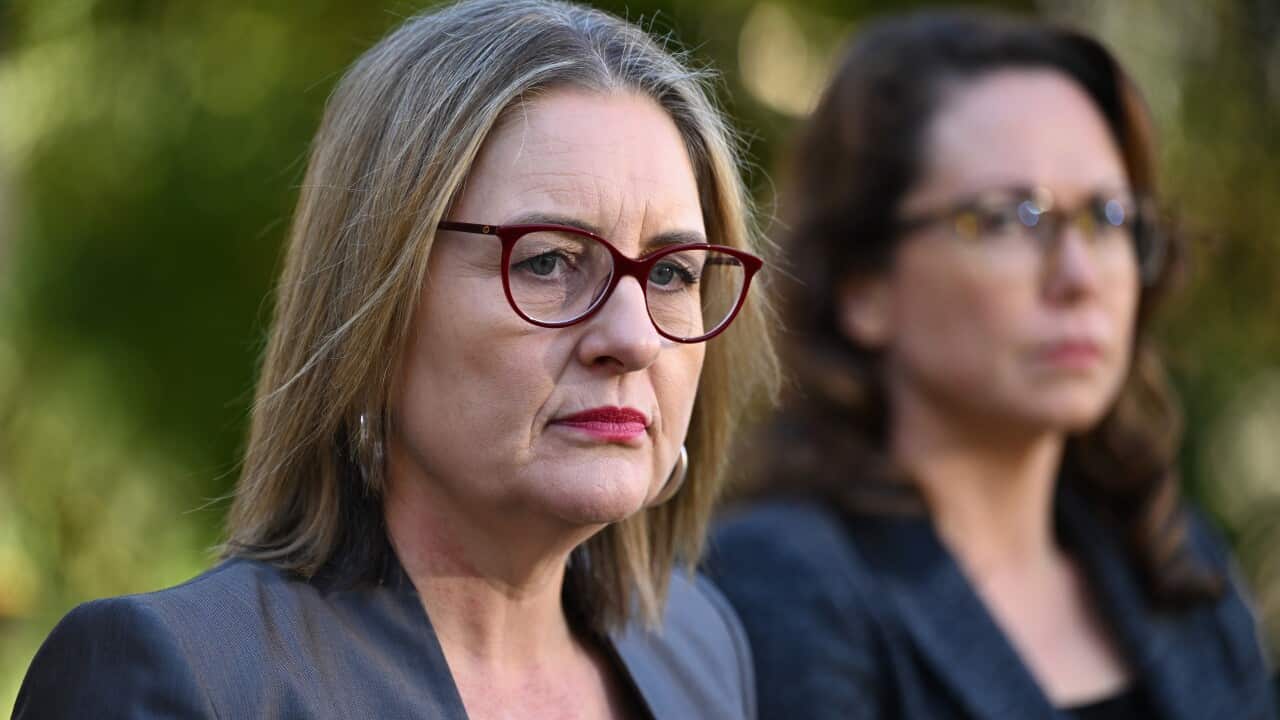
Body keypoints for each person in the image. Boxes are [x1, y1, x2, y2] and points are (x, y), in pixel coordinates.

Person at [15, 0, 778, 717]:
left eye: (672, 273)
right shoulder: (182, 679)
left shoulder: (697, 648)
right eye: (547, 262)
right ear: (376, 300)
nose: (634, 338)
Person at [708, 11, 1276, 720]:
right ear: (864, 288)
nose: (1078, 276)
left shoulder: (1174, 561)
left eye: (1107, 218)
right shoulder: (783, 582)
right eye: (1010, 218)